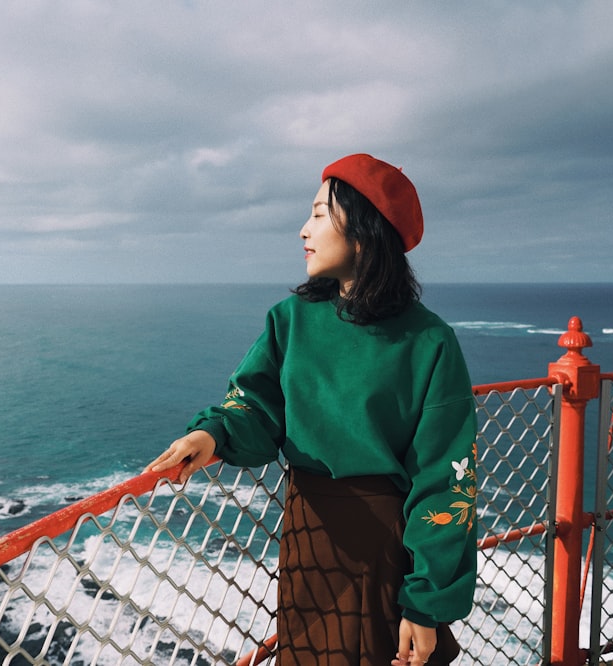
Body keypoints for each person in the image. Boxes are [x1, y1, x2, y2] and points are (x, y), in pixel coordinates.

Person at [146, 153, 477, 666]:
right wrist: (210, 436)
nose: (304, 229)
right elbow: (256, 407)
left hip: (388, 551)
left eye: (320, 214)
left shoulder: (430, 341)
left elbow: (445, 479)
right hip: (308, 539)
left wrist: (426, 605)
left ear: (365, 230)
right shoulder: (290, 320)